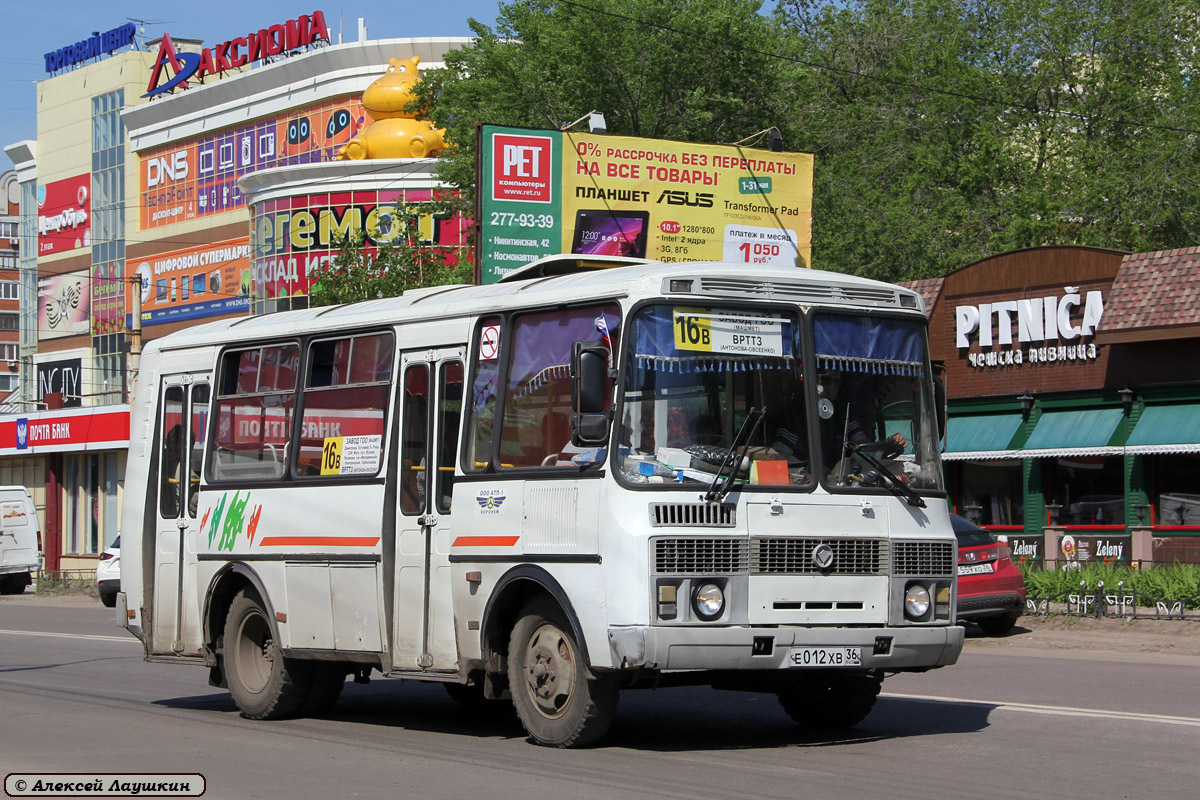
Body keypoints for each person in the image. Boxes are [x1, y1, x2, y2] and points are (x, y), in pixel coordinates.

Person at [817, 371, 906, 480]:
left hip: (837, 478)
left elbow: (864, 446)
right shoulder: (799, 411)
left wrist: (889, 442)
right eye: (828, 381)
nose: (833, 386)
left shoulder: (842, 414)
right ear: (817, 382)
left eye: (837, 382)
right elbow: (792, 457)